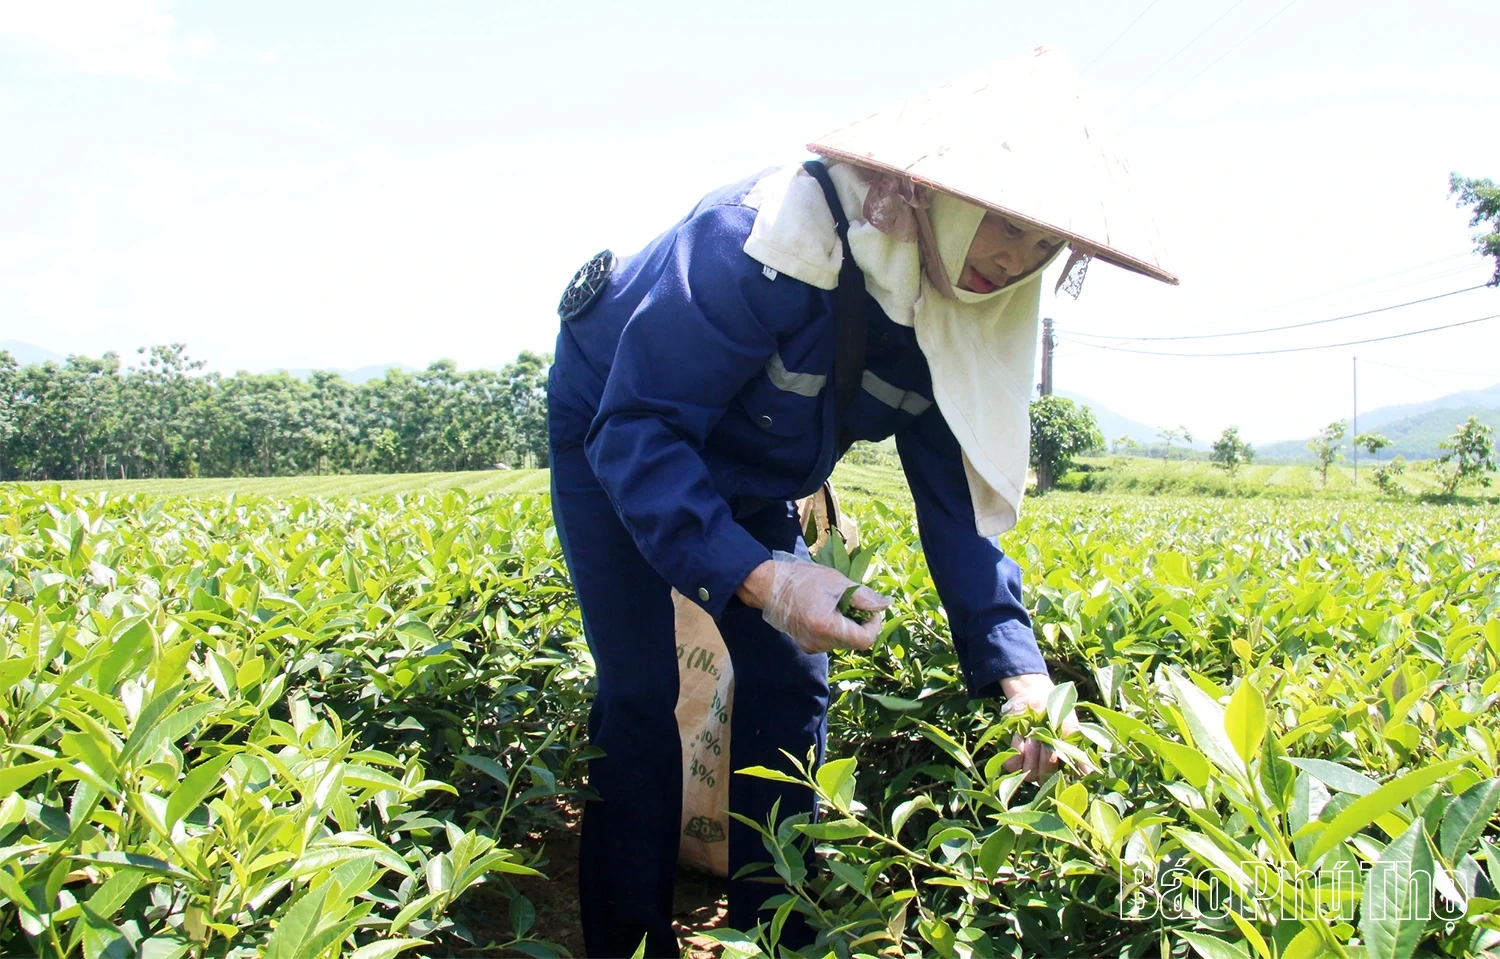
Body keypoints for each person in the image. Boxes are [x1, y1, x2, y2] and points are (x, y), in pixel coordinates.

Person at [545, 47, 1177, 957]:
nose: (1016, 256)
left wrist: (1021, 673)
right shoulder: (761, 244)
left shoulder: (963, 319)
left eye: (1046, 244)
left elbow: (957, 507)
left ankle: (774, 925)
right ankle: (628, 938)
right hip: (618, 421)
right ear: (929, 192)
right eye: (1003, 222)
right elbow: (638, 430)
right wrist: (760, 576)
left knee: (791, 673)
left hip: (756, 458)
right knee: (640, 689)